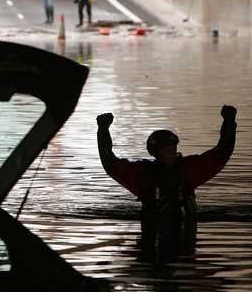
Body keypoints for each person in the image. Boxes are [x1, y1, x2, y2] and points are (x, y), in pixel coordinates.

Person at [96, 106, 237, 256]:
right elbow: (110, 163)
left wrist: (229, 122)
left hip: (185, 232)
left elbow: (221, 153)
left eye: (171, 148)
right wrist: (103, 130)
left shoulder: (189, 169)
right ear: (154, 152)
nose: (169, 153)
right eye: (164, 150)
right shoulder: (142, 174)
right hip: (152, 236)